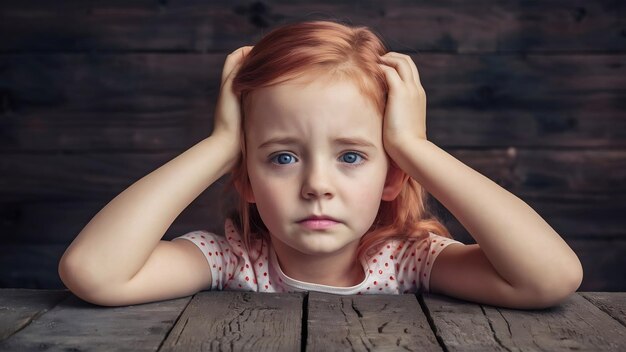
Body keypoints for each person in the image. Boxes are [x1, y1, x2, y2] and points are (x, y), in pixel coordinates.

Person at [58, 20, 583, 309]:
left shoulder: (410, 262)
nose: (316, 186)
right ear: (245, 178)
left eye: (351, 156)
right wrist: (220, 144)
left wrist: (416, 146)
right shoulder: (231, 259)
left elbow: (551, 280)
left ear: (394, 177)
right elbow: (93, 274)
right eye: (282, 157)